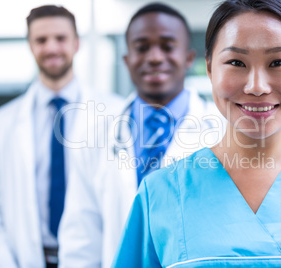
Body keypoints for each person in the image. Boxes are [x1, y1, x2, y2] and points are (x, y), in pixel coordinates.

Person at [112, 0, 281, 267]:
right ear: (209, 68)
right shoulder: (160, 193)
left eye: (278, 62)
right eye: (236, 62)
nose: (256, 87)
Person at [58, 3, 224, 268]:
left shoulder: (222, 132)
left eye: (168, 46)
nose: (155, 57)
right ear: (126, 60)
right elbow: (81, 237)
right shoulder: (95, 135)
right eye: (142, 47)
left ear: (190, 58)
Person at [0, 5, 124, 268]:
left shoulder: (115, 114)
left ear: (76, 44)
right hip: (25, 259)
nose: (51, 48)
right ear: (30, 46)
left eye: (60, 39)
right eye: (41, 40)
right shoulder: (2, 123)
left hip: (97, 259)